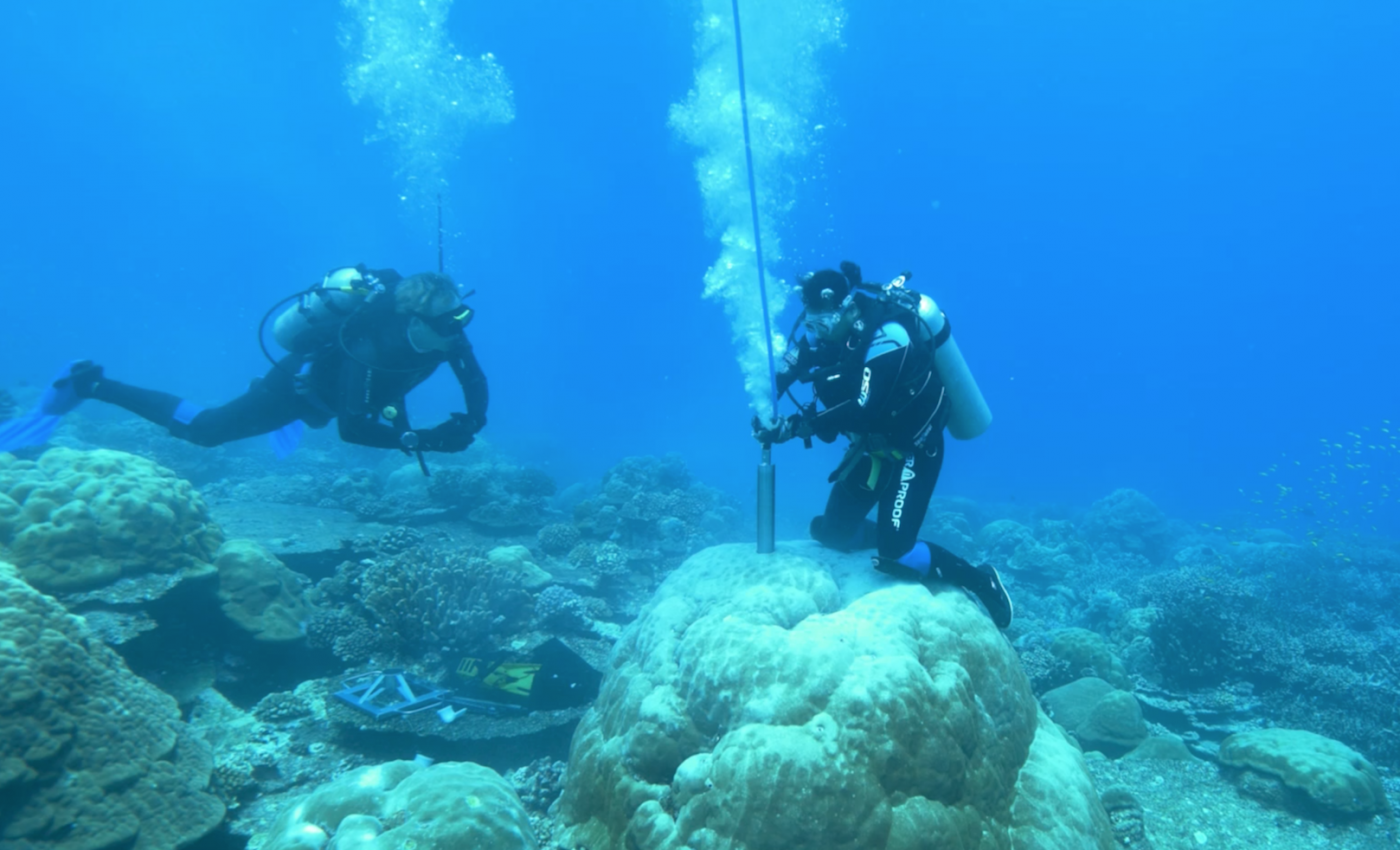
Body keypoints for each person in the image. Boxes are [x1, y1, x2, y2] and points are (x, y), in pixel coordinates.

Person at [752, 260, 1013, 628]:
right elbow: (784, 372)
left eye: (820, 320)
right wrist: (764, 405)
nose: (814, 331)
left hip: (914, 450)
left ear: (842, 306)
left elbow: (862, 408)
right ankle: (894, 528)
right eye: (809, 321)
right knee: (831, 532)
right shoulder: (824, 338)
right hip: (871, 451)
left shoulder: (888, 336)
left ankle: (979, 578)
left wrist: (795, 427)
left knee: (897, 555)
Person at [52, 266, 487, 457]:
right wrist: (422, 440)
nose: (458, 328)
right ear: (414, 319)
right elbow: (352, 430)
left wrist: (472, 422)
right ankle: (92, 383)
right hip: (297, 389)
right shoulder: (370, 349)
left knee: (337, 410)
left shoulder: (448, 333)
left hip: (343, 396)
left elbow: (474, 382)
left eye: (461, 316)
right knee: (204, 431)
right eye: (448, 321)